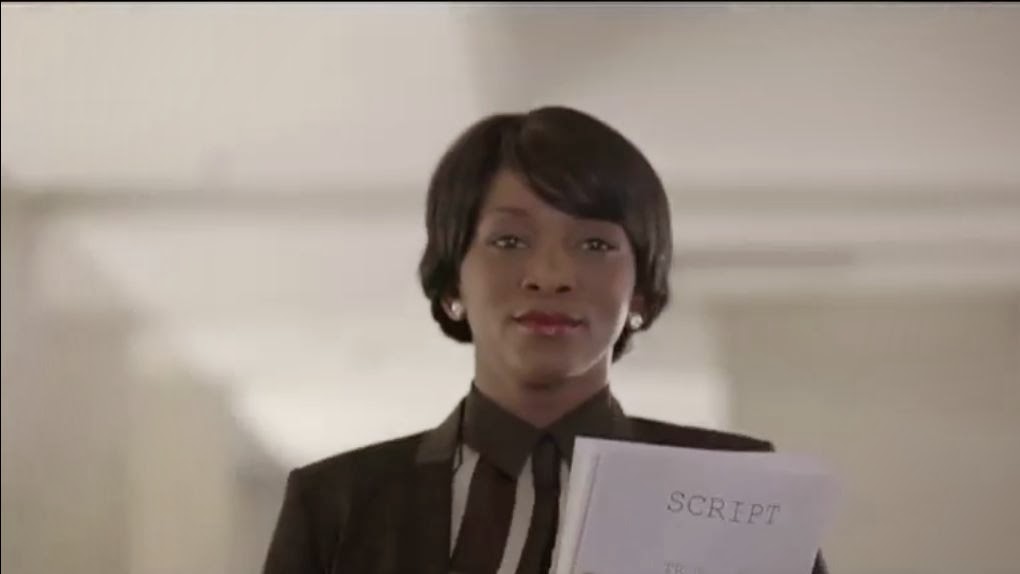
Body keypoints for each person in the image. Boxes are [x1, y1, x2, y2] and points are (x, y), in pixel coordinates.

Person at [261, 106, 828, 574]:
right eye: (509, 241)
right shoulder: (338, 503)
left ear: (639, 292)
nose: (551, 275)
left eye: (595, 245)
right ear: (453, 281)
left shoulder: (736, 490)